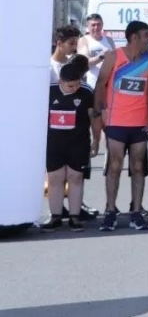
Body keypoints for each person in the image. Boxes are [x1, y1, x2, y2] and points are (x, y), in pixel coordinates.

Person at [95, 21, 148, 232]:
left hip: (139, 122)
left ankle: (136, 212)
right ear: (134, 38)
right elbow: (101, 84)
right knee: (114, 166)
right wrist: (101, 110)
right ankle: (110, 211)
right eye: (146, 35)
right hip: (116, 123)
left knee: (138, 167)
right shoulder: (114, 56)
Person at [41, 55, 100, 232]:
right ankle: (56, 216)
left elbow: (94, 116)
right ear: (61, 81)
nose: (74, 89)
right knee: (55, 178)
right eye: (70, 86)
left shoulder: (86, 91)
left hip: (78, 142)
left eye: (77, 84)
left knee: (75, 177)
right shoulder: (49, 90)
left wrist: (97, 139)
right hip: (54, 143)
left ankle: (75, 217)